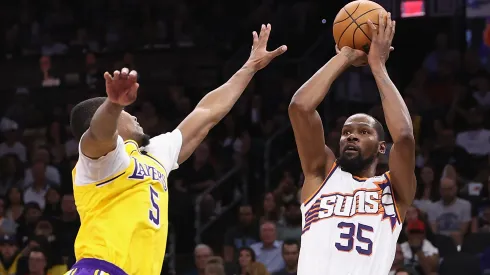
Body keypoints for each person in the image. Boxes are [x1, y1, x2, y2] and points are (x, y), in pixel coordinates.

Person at [66, 24, 286, 275]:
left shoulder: (153, 153)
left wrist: (250, 67)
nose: (135, 117)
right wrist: (113, 106)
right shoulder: (100, 163)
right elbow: (99, 134)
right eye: (127, 113)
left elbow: (206, 113)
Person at [289, 12, 416, 275]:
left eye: (363, 132)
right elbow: (300, 107)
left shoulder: (394, 190)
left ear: (382, 147)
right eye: (346, 132)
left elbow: (403, 137)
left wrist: (378, 67)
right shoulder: (321, 174)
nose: (351, 136)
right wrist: (344, 56)